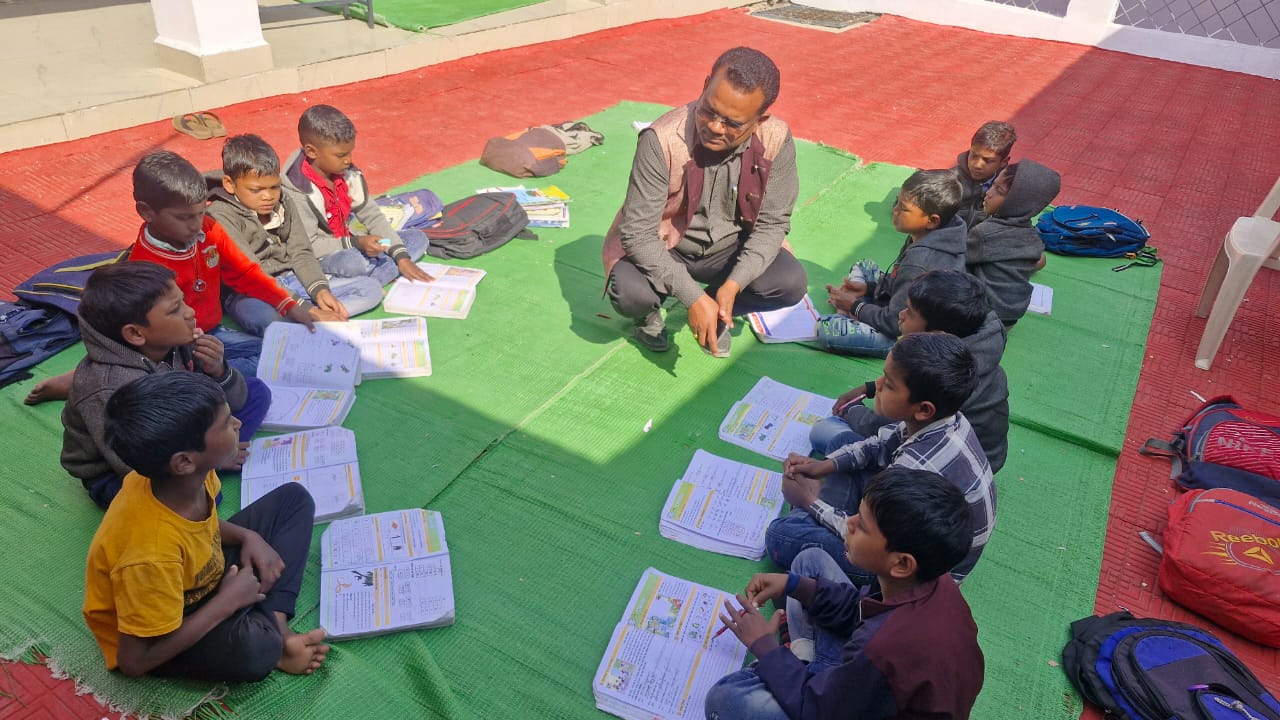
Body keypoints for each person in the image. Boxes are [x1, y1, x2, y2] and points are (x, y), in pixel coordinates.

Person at [83, 372, 328, 682]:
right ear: (184, 462)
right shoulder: (149, 556)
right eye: (226, 423)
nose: (238, 423)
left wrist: (248, 536)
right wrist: (226, 604)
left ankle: (277, 626)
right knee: (257, 649)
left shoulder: (189, 477)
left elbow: (198, 528)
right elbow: (133, 661)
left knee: (294, 499)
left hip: (201, 576)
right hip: (163, 631)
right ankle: (274, 639)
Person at [704, 467, 985, 720]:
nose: (849, 523)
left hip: (851, 696)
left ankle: (799, 662)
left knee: (726, 699)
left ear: (902, 564)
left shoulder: (883, 646)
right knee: (808, 562)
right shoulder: (933, 581)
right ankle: (801, 661)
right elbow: (861, 610)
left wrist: (764, 646)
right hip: (868, 682)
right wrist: (793, 585)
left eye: (861, 526)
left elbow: (817, 710)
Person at [601, 47, 807, 357]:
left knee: (790, 282)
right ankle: (651, 315)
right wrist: (692, 297)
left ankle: (719, 307)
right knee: (629, 293)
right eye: (709, 111)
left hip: (728, 249)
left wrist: (733, 286)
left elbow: (772, 224)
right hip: (666, 245)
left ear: (759, 120)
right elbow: (638, 235)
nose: (714, 127)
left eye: (732, 123)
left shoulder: (776, 138)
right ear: (706, 84)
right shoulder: (661, 138)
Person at [764, 332, 996, 584]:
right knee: (843, 442)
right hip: (905, 521)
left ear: (923, 409)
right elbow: (878, 445)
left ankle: (810, 518)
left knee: (780, 535)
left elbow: (874, 539)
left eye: (889, 384)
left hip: (911, 572)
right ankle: (816, 518)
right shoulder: (946, 419)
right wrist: (824, 466)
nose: (878, 385)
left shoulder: (912, 465)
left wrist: (809, 501)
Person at [60, 263, 270, 508]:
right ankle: (215, 458)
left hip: (179, 429)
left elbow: (231, 399)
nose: (190, 312)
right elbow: (128, 461)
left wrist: (218, 370)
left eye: (183, 301)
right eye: (175, 309)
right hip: (119, 471)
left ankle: (216, 452)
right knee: (201, 497)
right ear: (136, 334)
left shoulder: (178, 343)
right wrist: (210, 461)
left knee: (257, 392)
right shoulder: (109, 388)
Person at [127, 150, 323, 376]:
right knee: (270, 363)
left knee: (279, 351)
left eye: (200, 213)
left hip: (213, 332)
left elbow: (245, 272)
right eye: (184, 217)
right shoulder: (144, 267)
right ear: (146, 212)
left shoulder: (209, 229)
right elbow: (154, 334)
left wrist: (288, 304)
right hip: (178, 346)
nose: (196, 225)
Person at [815, 270, 1010, 473]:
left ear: (937, 334)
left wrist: (851, 410)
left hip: (939, 472)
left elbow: (886, 426)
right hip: (980, 458)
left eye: (909, 312)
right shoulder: (970, 349)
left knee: (825, 432)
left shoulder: (945, 375)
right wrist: (869, 388)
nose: (901, 315)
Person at [209, 133, 386, 336]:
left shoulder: (284, 200)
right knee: (264, 318)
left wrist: (320, 290)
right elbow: (252, 274)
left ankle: (307, 323)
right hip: (250, 292)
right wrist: (306, 309)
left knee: (370, 289)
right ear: (229, 184)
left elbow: (301, 252)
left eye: (274, 187)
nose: (268, 196)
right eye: (256, 190)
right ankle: (310, 320)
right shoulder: (220, 215)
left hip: (292, 279)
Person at [817, 169, 966, 358]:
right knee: (864, 266)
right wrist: (869, 288)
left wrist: (854, 305)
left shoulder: (920, 261)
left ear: (932, 221)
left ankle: (847, 313)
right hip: (904, 308)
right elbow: (901, 280)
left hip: (908, 334)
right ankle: (854, 309)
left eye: (903, 208)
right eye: (897, 202)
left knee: (827, 328)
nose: (894, 210)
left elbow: (894, 322)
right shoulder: (931, 233)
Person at [281, 104, 433, 287]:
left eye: (350, 152)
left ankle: (369, 277)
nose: (349, 160)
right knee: (354, 263)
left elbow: (372, 215)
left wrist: (401, 257)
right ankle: (370, 276)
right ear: (312, 151)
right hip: (325, 255)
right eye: (341, 155)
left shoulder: (347, 174)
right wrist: (356, 243)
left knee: (416, 238)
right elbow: (309, 246)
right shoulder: (298, 191)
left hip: (355, 241)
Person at [966, 160, 1061, 327]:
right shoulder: (1031, 234)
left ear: (1018, 202)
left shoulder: (985, 233)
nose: (989, 193)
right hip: (1010, 318)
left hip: (982, 318)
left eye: (999, 191)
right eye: (993, 185)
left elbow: (957, 255)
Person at [954, 121, 1016, 229]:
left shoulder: (1008, 189)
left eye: (988, 160)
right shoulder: (951, 181)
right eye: (974, 155)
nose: (977, 165)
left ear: (1004, 162)